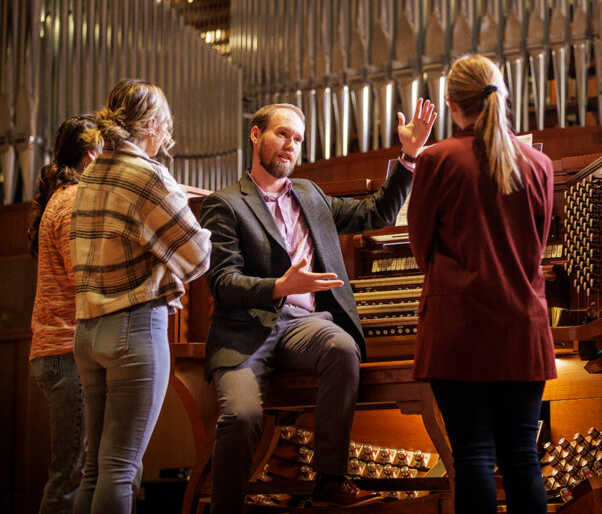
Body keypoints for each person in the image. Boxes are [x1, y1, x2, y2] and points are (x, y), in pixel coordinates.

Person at [199, 99, 435, 511]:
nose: (291, 145)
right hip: (246, 332)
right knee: (241, 418)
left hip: (304, 325)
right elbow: (222, 283)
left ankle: (330, 480)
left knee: (342, 347)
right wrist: (278, 286)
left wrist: (409, 156)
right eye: (282, 134)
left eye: (298, 139)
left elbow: (376, 211)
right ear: (256, 135)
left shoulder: (309, 194)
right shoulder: (226, 204)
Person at [407, 54, 557, 514]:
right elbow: (538, 242)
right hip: (522, 327)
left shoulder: (434, 159)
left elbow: (421, 246)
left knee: (472, 455)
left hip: (459, 330)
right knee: (523, 457)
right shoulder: (539, 163)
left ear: (452, 104)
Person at [70, 79, 211, 514]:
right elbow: (197, 257)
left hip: (88, 332)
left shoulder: (92, 172)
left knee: (95, 467)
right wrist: (184, 209)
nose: (163, 140)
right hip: (133, 328)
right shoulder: (147, 175)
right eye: (163, 129)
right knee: (120, 468)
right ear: (149, 123)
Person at [28, 116, 103, 514]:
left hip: (56, 352)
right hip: (64, 350)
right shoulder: (75, 199)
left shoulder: (60, 196)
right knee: (70, 477)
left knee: (79, 472)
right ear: (92, 156)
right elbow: (83, 278)